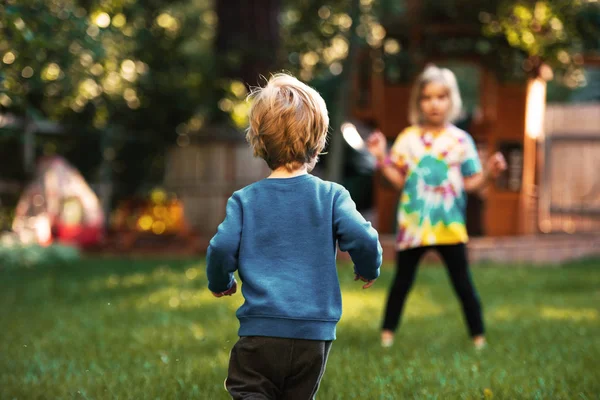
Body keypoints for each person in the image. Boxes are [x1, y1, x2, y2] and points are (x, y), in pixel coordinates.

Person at [207, 73, 383, 399]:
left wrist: (221, 282)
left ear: (259, 141)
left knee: (250, 391)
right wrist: (367, 267)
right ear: (318, 142)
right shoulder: (332, 196)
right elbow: (363, 236)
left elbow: (221, 247)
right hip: (313, 337)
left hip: (261, 332)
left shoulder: (244, 200)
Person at [366, 65, 507, 349]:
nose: (434, 103)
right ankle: (386, 337)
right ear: (418, 102)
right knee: (402, 283)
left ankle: (478, 338)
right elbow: (398, 181)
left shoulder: (461, 141)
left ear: (451, 100)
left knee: (463, 284)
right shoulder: (407, 139)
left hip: (449, 225)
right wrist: (381, 158)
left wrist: (490, 174)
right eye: (427, 97)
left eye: (441, 97)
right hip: (413, 226)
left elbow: (471, 183)